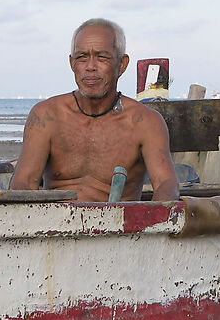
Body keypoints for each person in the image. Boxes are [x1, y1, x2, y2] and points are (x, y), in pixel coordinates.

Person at [12, 17, 180, 202]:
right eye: (82, 57)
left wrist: (155, 214)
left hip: (120, 219)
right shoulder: (47, 116)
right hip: (55, 219)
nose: (90, 67)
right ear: (72, 63)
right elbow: (23, 183)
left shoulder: (145, 122)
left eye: (102, 57)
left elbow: (166, 185)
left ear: (122, 64)